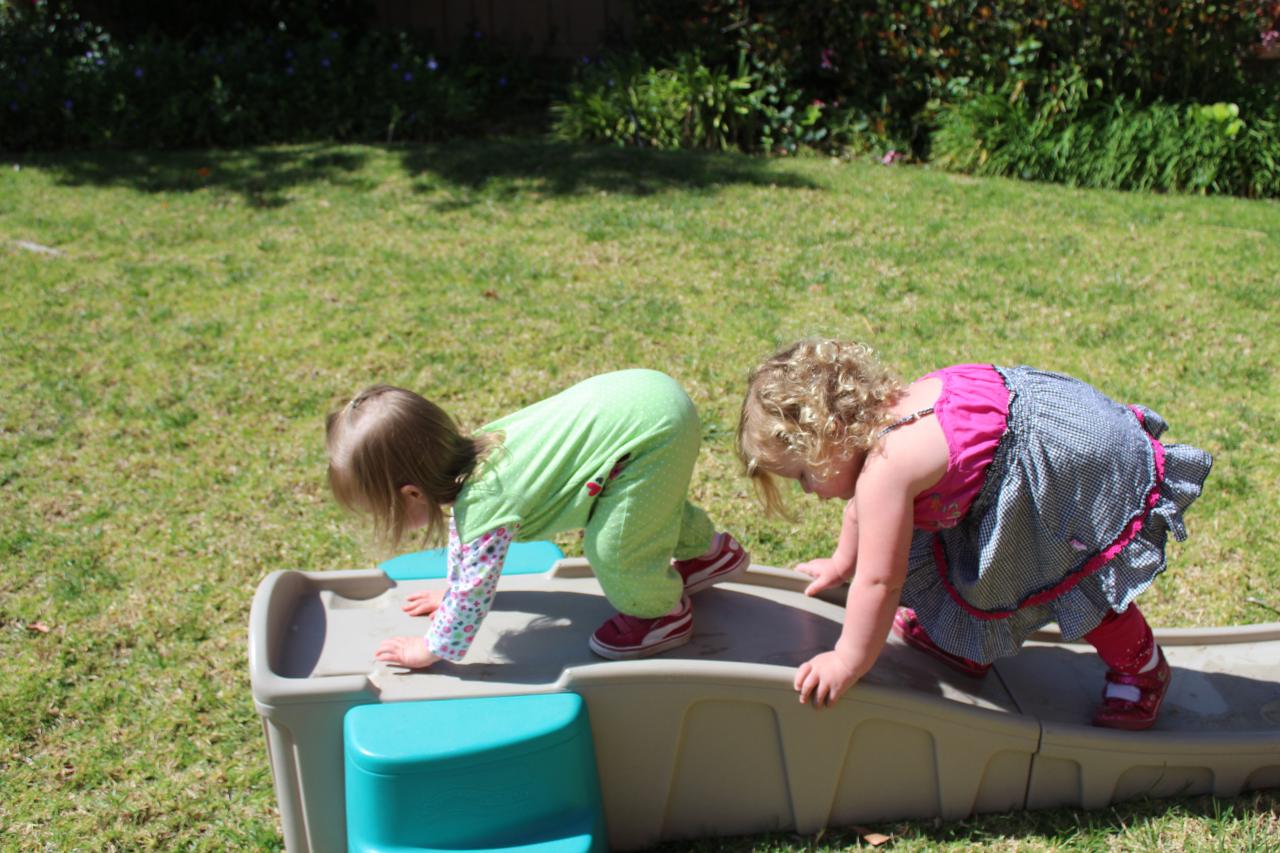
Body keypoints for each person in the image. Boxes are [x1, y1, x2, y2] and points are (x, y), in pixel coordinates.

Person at [736, 339, 1212, 730]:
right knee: (968, 558)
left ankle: (1142, 669)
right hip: (1036, 436)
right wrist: (843, 562)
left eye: (803, 475)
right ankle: (961, 643)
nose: (809, 491)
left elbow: (880, 582)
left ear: (826, 438)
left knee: (1073, 581)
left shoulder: (885, 471)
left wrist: (846, 660)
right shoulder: (886, 416)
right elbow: (862, 511)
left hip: (1058, 477)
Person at [325, 369, 749, 669]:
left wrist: (429, 648)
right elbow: (465, 554)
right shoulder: (484, 450)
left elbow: (476, 589)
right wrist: (451, 592)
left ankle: (662, 614)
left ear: (412, 494)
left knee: (615, 546)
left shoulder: (485, 503)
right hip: (648, 397)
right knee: (644, 509)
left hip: (655, 431)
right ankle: (709, 554)